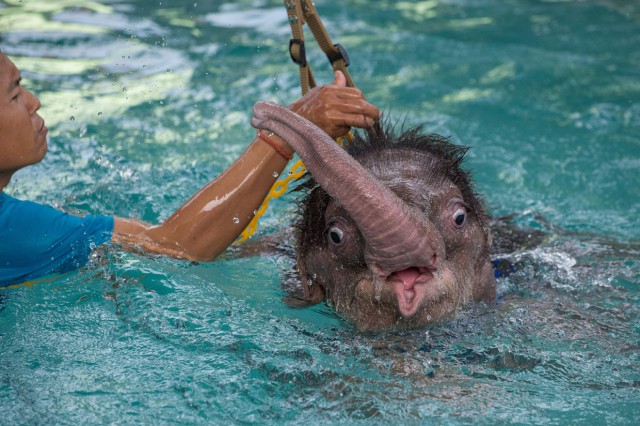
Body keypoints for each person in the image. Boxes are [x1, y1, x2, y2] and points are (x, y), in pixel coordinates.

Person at [0, 51, 380, 287]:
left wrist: (262, 248)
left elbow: (151, 242)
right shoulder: (11, 229)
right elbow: (176, 247)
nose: (33, 101)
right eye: (15, 94)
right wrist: (290, 128)